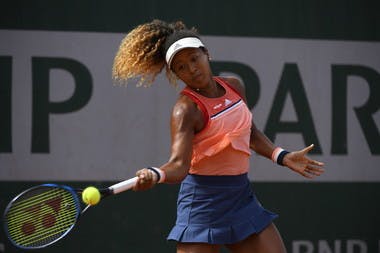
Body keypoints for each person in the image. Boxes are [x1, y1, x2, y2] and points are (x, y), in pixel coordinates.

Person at [112, 19, 325, 253]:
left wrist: (281, 156)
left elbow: (249, 132)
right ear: (175, 74)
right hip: (202, 205)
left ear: (206, 54)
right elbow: (179, 165)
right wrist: (155, 174)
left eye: (194, 58)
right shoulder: (186, 110)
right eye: (181, 67)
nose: (192, 69)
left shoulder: (234, 86)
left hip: (240, 197)